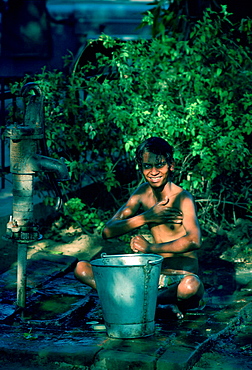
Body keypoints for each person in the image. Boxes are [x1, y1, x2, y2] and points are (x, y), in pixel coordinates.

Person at [74, 136, 204, 319]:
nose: (153, 171)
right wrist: (146, 217)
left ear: (171, 165)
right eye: (147, 166)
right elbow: (108, 231)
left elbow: (194, 240)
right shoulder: (143, 192)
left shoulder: (183, 197)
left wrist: (150, 249)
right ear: (141, 167)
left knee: (192, 286)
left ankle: (141, 301)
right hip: (150, 277)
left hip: (179, 279)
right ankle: (152, 302)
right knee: (81, 268)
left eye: (159, 165)